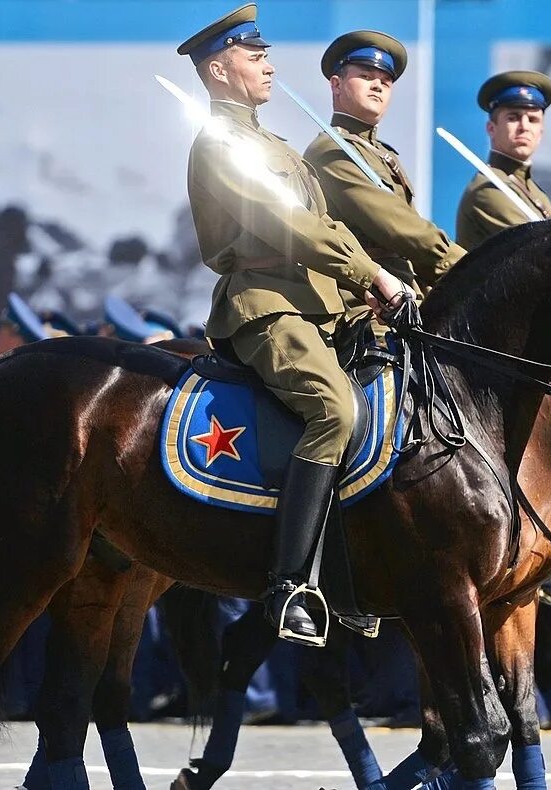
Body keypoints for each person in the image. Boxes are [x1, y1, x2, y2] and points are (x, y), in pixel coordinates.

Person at [176, 3, 405, 643]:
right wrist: (375, 276)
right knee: (335, 410)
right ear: (220, 71)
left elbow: (327, 227)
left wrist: (370, 291)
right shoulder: (221, 145)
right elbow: (289, 228)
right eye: (255, 57)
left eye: (266, 54)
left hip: (325, 307)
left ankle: (356, 570)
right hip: (267, 305)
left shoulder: (271, 144)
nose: (269, 66)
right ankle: (290, 586)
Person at [304, 30, 465, 307]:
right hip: (363, 303)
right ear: (336, 84)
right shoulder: (332, 151)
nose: (377, 86)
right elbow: (400, 229)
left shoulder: (382, 154)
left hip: (406, 297)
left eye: (386, 81)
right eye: (366, 77)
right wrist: (470, 265)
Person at [455, 70, 551, 251]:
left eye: (533, 120)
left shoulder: (534, 191)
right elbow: (546, 251)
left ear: (540, 133)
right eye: (513, 118)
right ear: (491, 128)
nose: (524, 127)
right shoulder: (488, 189)